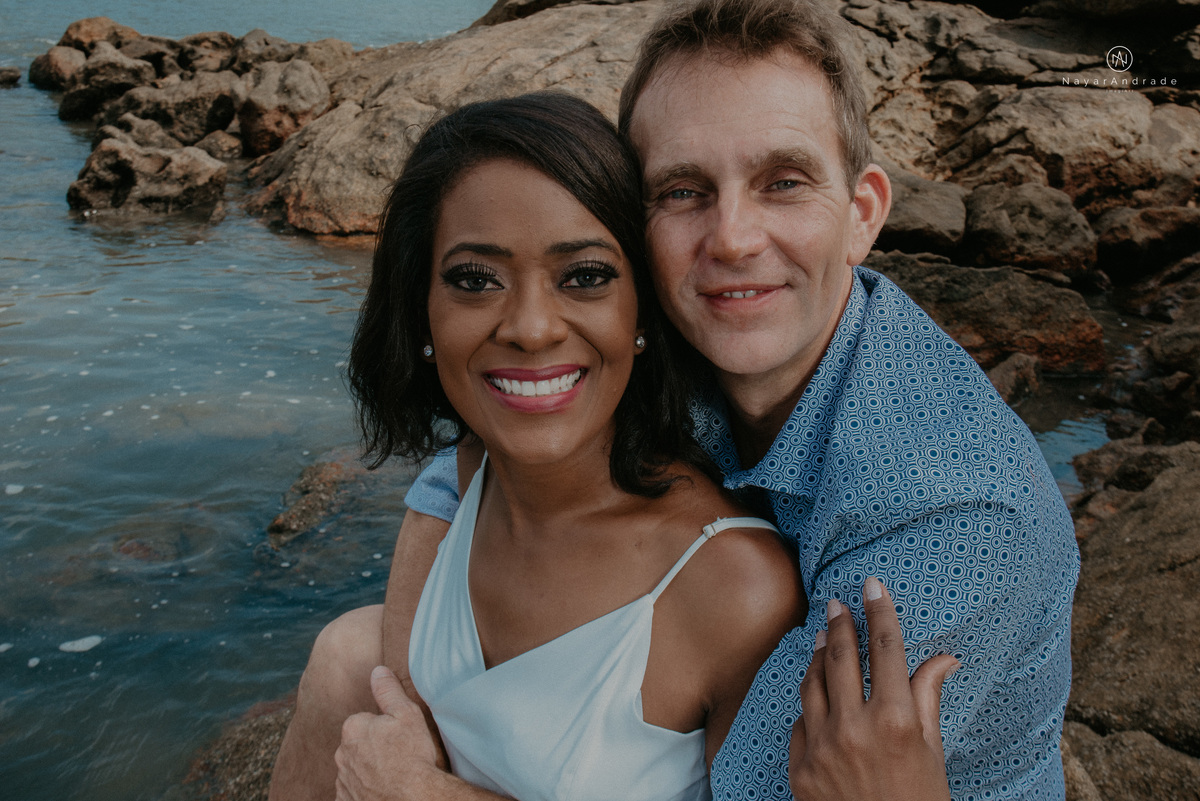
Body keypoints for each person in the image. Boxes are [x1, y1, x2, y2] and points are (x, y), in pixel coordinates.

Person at [278, 0, 1079, 798]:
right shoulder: (667, 324)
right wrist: (409, 708)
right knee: (348, 653)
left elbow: (761, 791)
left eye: (784, 181)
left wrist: (420, 788)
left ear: (863, 212)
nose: (731, 238)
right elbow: (460, 470)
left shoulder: (954, 524)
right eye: (685, 191)